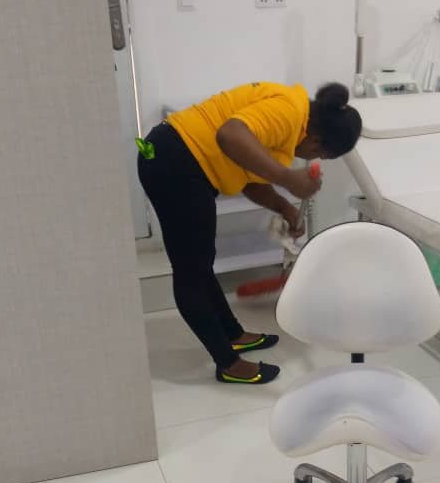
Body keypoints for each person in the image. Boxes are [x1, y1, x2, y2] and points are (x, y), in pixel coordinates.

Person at [137, 81, 362, 384]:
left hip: (180, 161)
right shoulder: (287, 112)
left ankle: (233, 335)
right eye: (320, 154)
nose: (312, 158)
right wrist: (288, 179)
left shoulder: (293, 118)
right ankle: (228, 364)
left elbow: (248, 178)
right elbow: (229, 135)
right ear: (317, 141)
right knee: (191, 270)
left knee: (201, 262)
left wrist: (285, 207)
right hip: (174, 163)